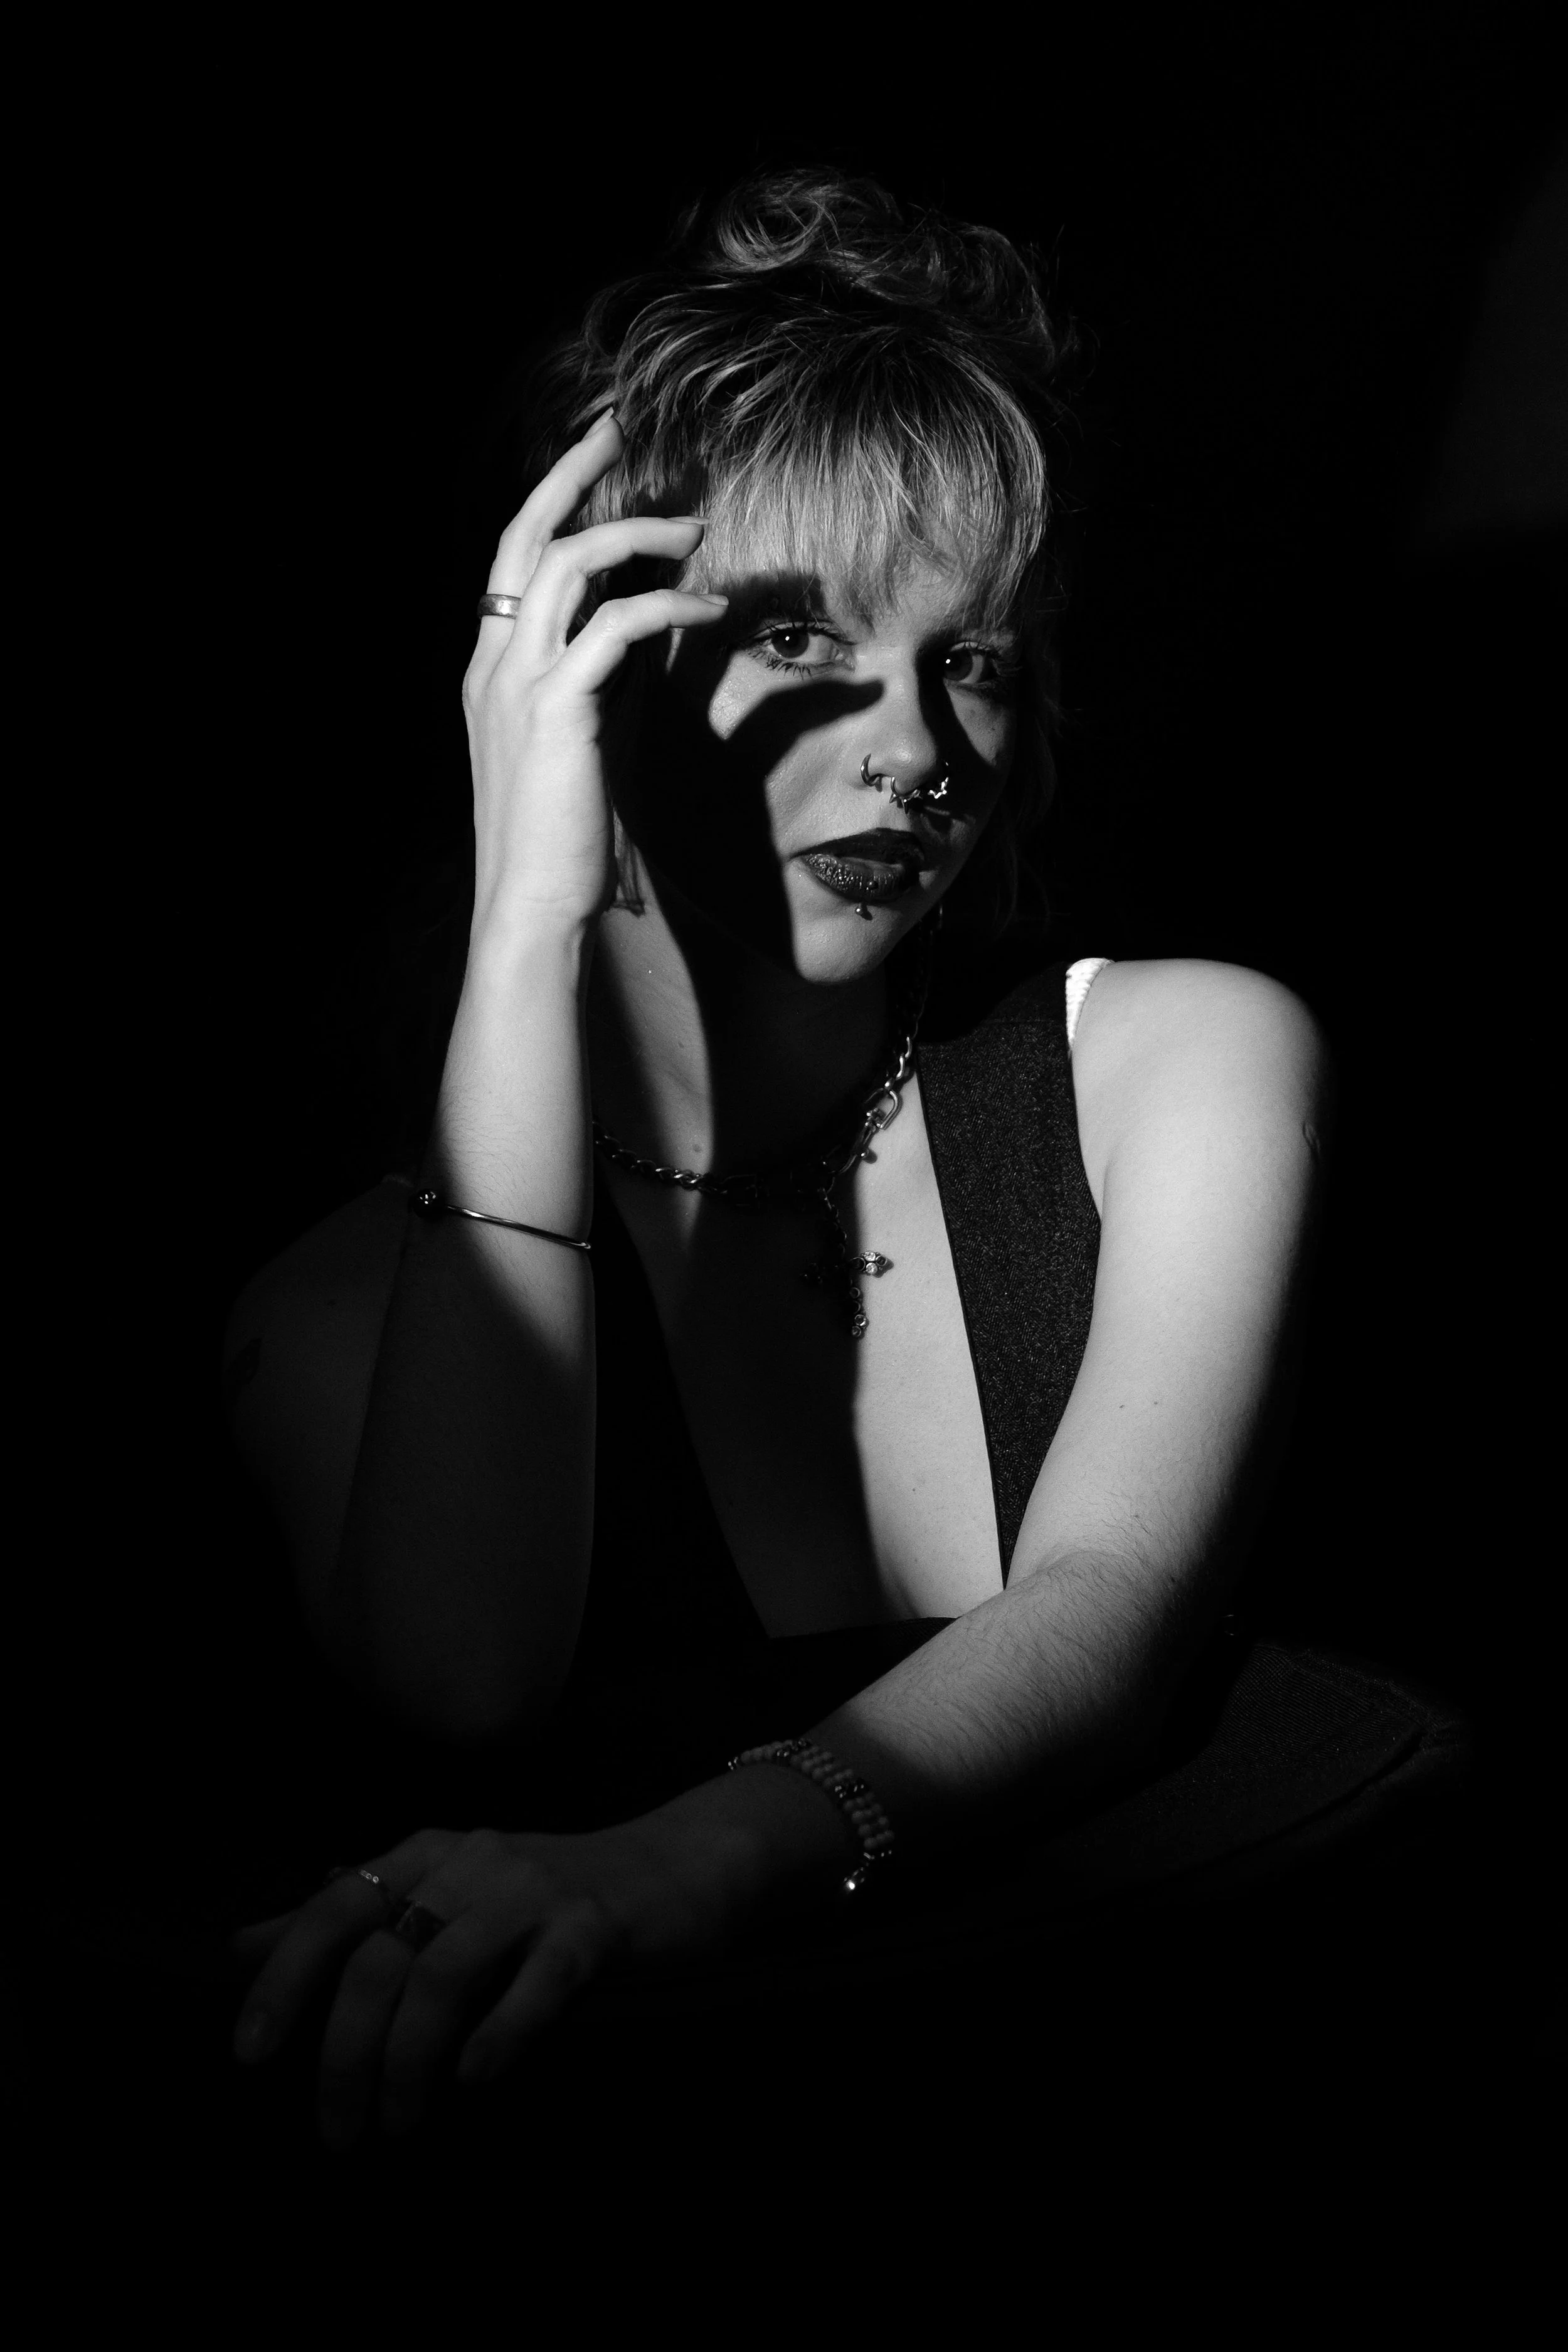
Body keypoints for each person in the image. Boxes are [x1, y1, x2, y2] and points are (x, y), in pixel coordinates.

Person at [221, 168, 1330, 2153]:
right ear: (586, 667)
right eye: (801, 634)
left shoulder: (1172, 1067)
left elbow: (1110, 1609)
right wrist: (525, 917)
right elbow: (462, 1690)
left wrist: (663, 1869)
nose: (914, 746)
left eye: (967, 656)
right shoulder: (331, 1312)